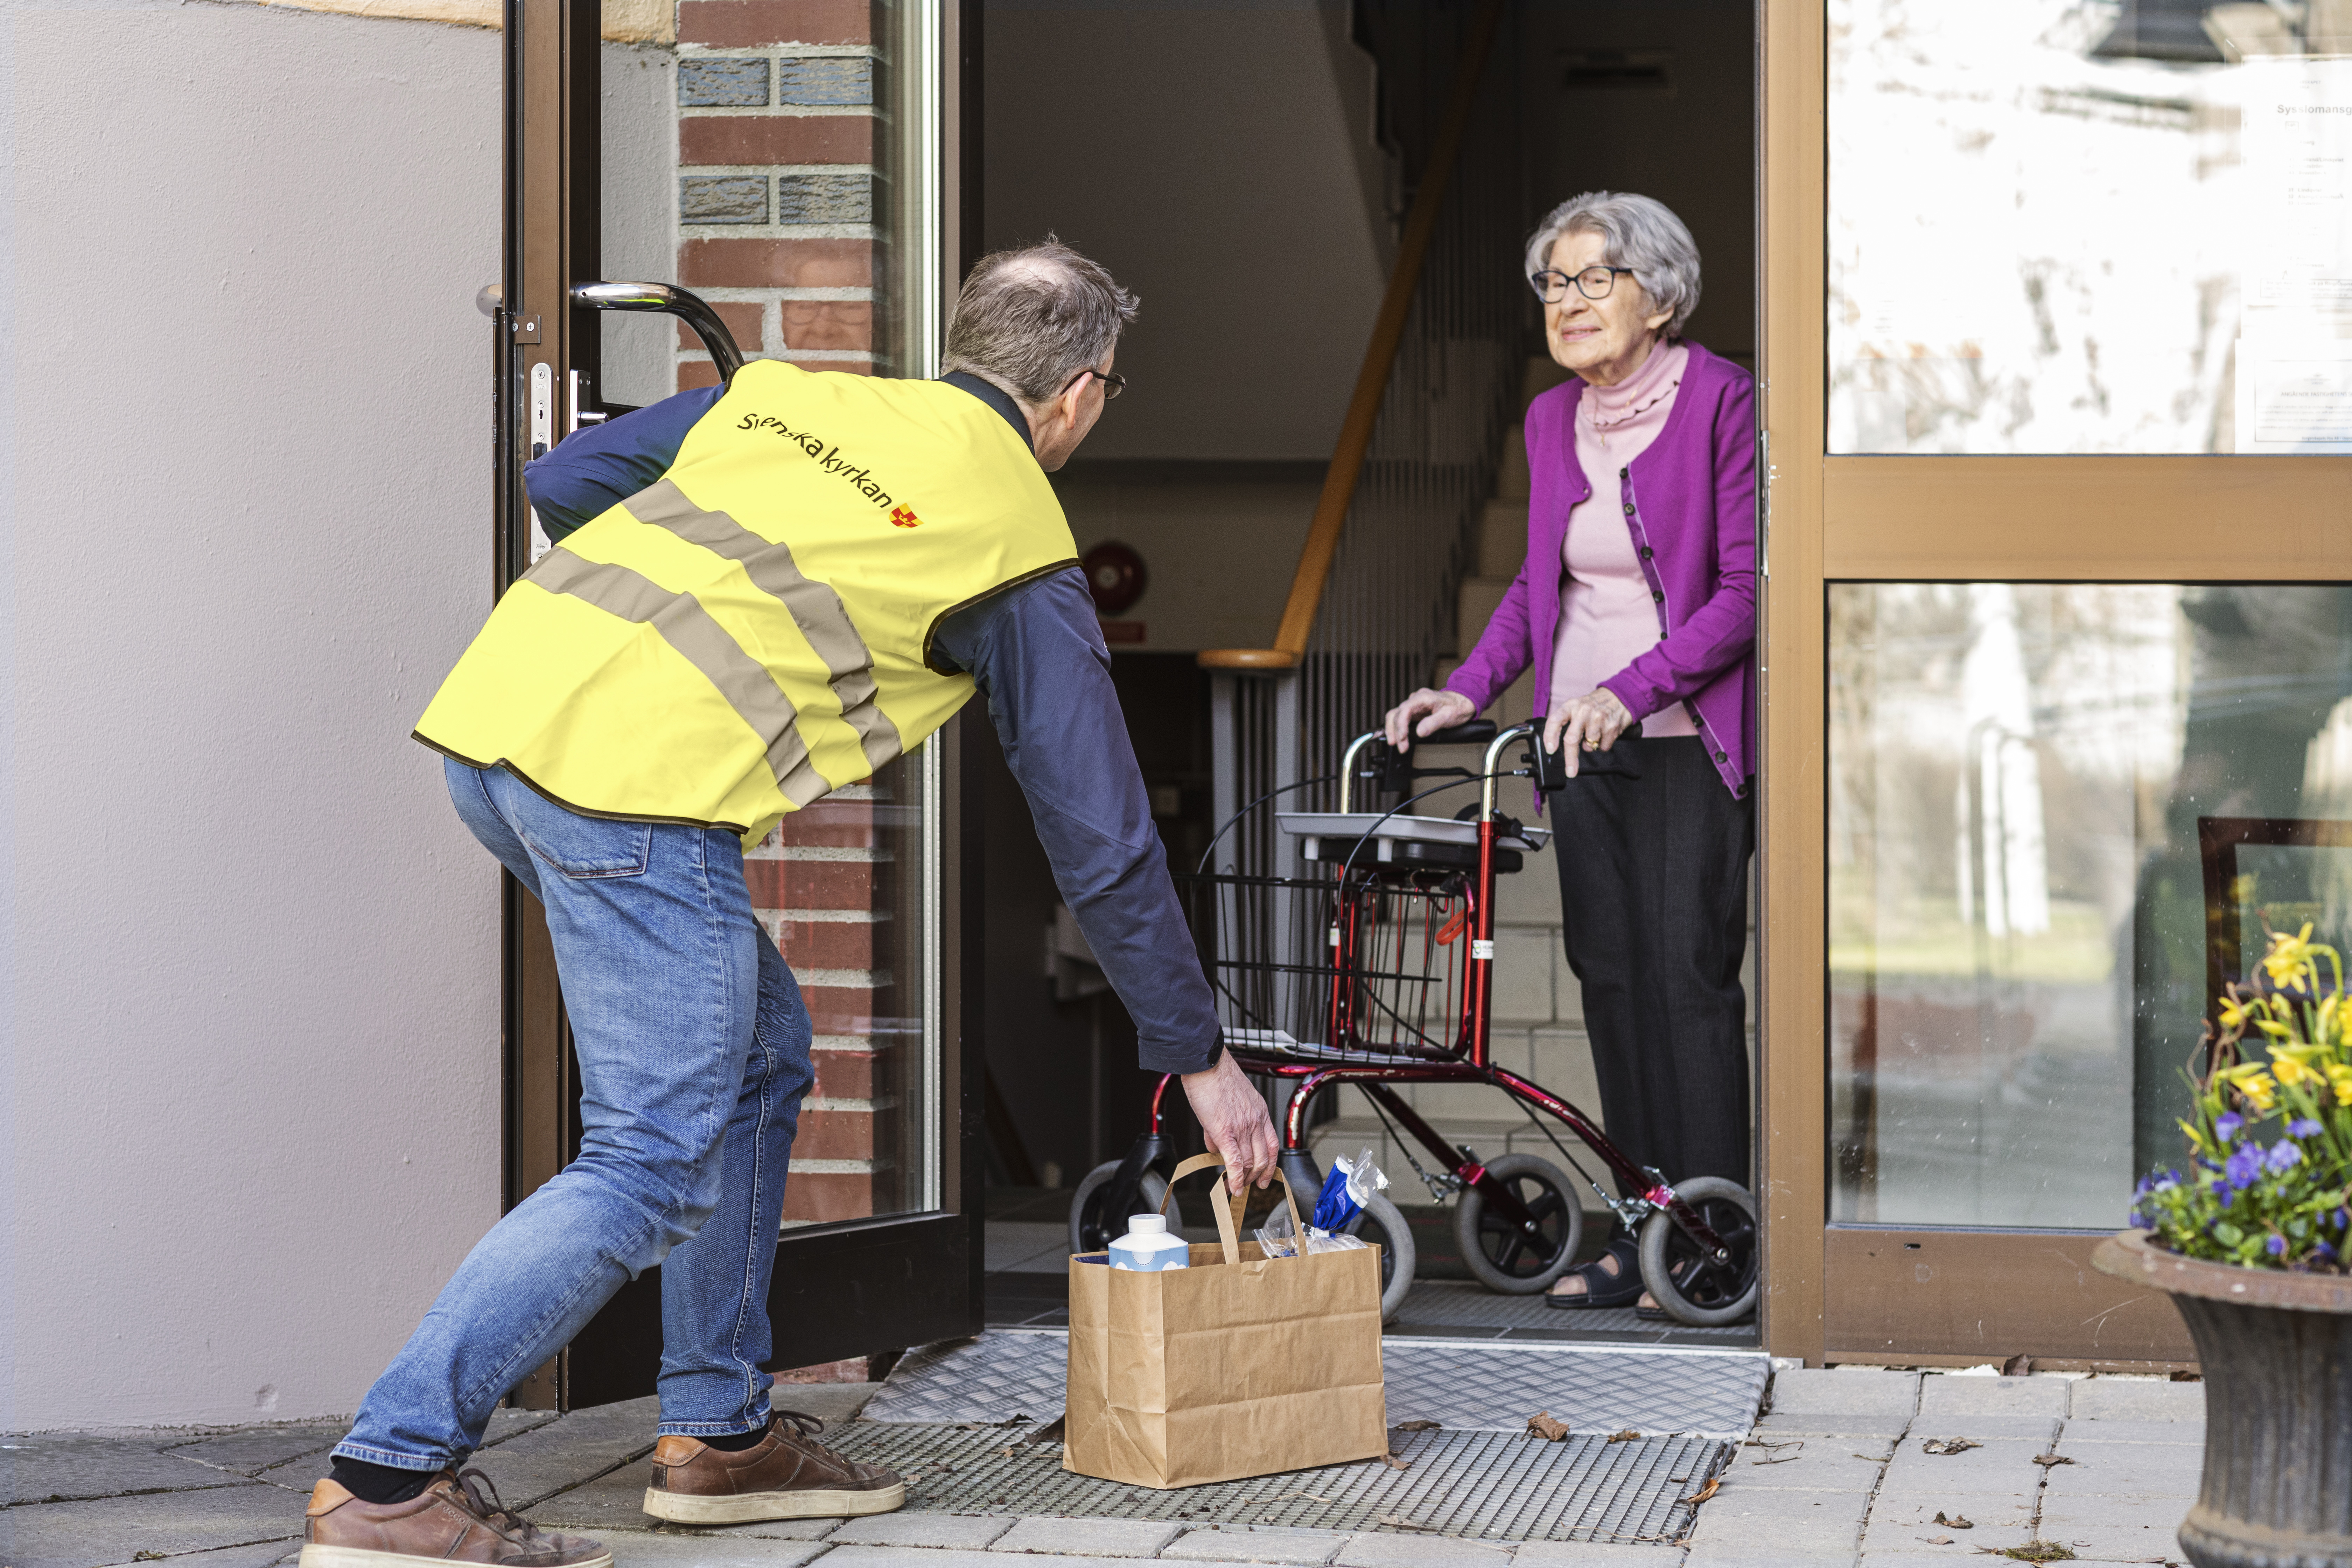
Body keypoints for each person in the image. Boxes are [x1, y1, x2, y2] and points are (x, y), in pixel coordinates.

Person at [300, 240, 1281, 1568]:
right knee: (654, 1157)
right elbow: (1102, 840)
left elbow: (567, 477)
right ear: (1083, 393)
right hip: (632, 796)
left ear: (967, 341)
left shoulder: (797, 397)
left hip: (497, 730)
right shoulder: (1015, 544)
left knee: (759, 1061)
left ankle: (719, 1434)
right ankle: (389, 1476)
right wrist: (1199, 1056)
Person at [1382, 192, 1756, 1316]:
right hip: (1578, 745)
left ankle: (1718, 1238)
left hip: (1689, 741)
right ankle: (1645, 1231)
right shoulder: (1553, 422)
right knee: (1613, 985)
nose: (1570, 302)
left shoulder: (1724, 402)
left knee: (1688, 985)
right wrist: (1466, 686)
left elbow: (1744, 595)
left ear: (1660, 293)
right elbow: (1535, 585)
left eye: (1596, 279)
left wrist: (1628, 691)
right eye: (1554, 282)